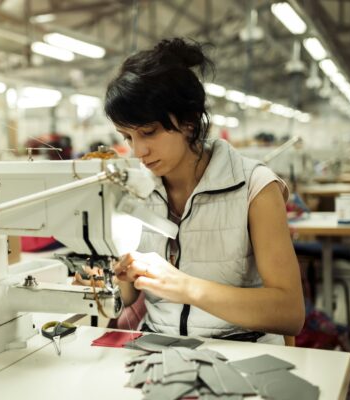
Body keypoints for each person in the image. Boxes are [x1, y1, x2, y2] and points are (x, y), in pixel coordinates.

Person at [101, 38, 304, 345]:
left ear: (189, 122)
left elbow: (289, 313)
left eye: (149, 132)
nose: (139, 151)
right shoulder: (135, 189)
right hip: (156, 348)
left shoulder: (255, 188)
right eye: (128, 136)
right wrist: (114, 277)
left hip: (241, 349)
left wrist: (184, 286)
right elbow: (128, 297)